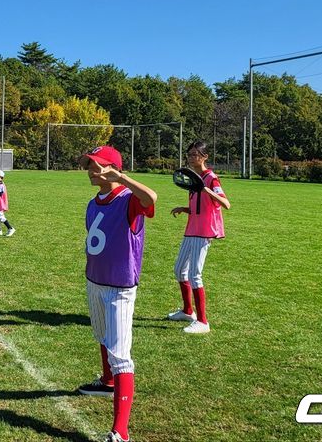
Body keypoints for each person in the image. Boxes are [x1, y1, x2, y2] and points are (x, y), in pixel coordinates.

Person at [75, 145, 156, 442]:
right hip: (94, 280)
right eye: (89, 164)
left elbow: (151, 199)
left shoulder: (128, 200)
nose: (89, 170)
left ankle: (120, 431)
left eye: (95, 165)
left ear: (111, 168)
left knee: (121, 355)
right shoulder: (93, 202)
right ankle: (107, 381)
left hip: (119, 287)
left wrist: (122, 178)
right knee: (102, 336)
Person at [167, 141, 231, 335]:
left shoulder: (211, 178)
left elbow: (226, 203)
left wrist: (206, 189)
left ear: (205, 157)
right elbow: (200, 206)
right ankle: (188, 311)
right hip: (191, 229)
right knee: (179, 270)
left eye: (196, 154)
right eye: (190, 154)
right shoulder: (195, 178)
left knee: (195, 274)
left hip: (203, 232)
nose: (192, 157)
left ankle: (203, 321)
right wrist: (185, 208)